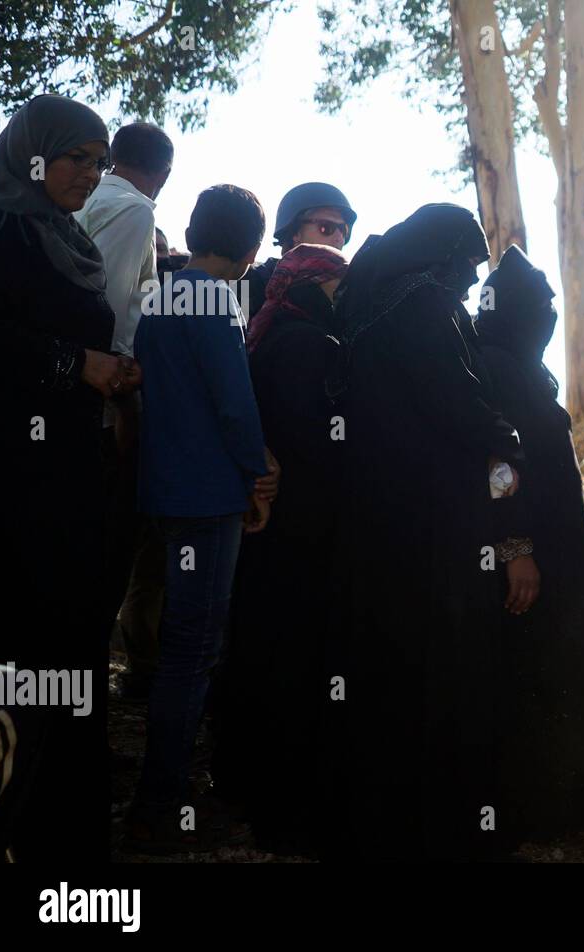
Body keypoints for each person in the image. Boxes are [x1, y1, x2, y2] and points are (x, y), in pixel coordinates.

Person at [324, 203, 526, 861]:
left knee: (383, 664)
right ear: (440, 259)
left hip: (374, 510)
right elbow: (457, 400)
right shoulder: (425, 306)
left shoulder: (365, 299)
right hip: (431, 518)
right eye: (466, 264)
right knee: (435, 668)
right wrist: (509, 440)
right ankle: (437, 818)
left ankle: (376, 812)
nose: (471, 280)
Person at [0, 93, 130, 861]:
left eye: (102, 161)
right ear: (35, 153)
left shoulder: (66, 236)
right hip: (12, 485)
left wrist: (108, 376)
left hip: (70, 481)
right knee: (19, 657)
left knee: (69, 661)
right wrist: (76, 364)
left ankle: (63, 847)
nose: (91, 172)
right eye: (78, 156)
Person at [123, 184, 274, 853]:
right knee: (194, 652)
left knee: (181, 648)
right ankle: (163, 802)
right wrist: (257, 474)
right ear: (250, 246)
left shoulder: (162, 294)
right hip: (209, 496)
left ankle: (160, 795)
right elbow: (235, 406)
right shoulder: (216, 299)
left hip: (164, 489)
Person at [474, 245, 584, 843]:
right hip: (529, 558)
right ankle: (529, 804)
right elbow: (499, 469)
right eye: (538, 305)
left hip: (553, 549)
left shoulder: (513, 365)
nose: (546, 313)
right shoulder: (491, 369)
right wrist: (517, 548)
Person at [212, 243, 349, 854]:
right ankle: (279, 796)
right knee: (290, 658)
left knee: (257, 645)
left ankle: (241, 780)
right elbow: (316, 440)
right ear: (312, 286)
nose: (340, 298)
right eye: (334, 286)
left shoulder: (269, 335)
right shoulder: (307, 345)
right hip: (296, 525)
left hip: (266, 524)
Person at [74, 121, 176, 694]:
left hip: (74, 399)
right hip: (107, 406)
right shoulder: (136, 210)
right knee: (108, 561)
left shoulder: (85, 198)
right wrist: (127, 405)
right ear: (163, 173)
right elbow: (109, 308)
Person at [241, 182, 356, 319]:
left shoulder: (353, 294)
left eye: (343, 230)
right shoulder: (249, 284)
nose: (339, 238)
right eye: (326, 227)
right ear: (295, 233)